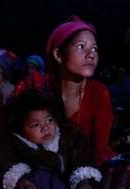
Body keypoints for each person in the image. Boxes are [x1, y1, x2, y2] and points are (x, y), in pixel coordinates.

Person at [0, 89, 101, 189]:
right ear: (20, 129)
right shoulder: (12, 144)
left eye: (49, 120)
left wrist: (83, 180)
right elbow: (1, 163)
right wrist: (19, 180)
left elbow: (82, 158)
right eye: (36, 125)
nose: (45, 128)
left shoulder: (69, 136)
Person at [46, 16, 114, 162]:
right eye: (80, 46)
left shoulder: (99, 93)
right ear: (58, 55)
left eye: (94, 48)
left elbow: (101, 149)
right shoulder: (42, 89)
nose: (91, 55)